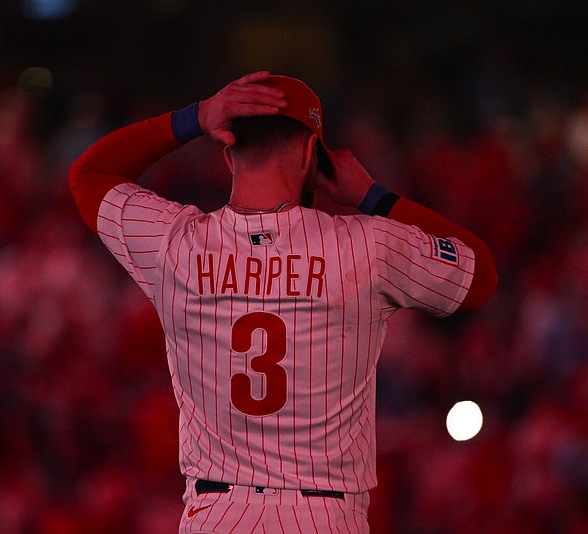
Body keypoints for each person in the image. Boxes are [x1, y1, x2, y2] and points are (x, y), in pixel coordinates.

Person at [69, 71, 497, 533]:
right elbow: (480, 276)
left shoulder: (175, 243)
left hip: (216, 513)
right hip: (323, 515)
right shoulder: (365, 247)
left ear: (228, 154)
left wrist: (197, 117)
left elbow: (89, 174)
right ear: (312, 153)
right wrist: (370, 195)